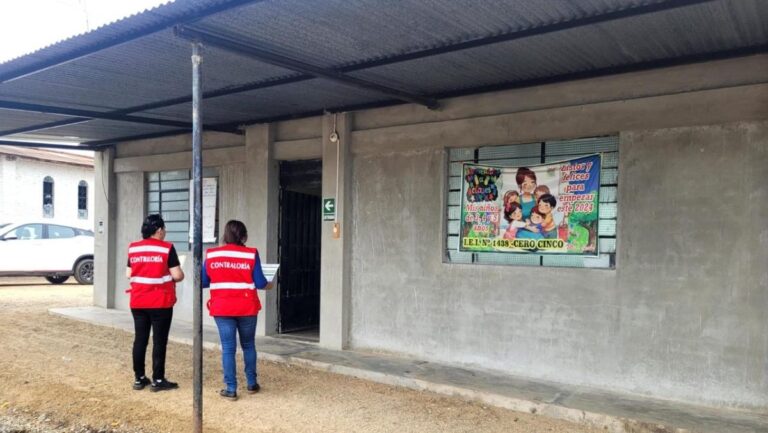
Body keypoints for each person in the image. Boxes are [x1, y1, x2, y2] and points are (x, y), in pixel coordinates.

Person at [202, 220, 273, 401]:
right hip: (247, 307)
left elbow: (203, 281)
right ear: (243, 236)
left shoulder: (212, 254)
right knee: (248, 345)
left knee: (228, 348)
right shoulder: (251, 254)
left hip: (222, 308)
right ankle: (251, 384)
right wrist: (269, 284)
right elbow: (260, 283)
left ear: (226, 235)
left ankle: (231, 388)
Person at [126, 214, 184, 392]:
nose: (165, 232)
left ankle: (139, 378)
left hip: (138, 301)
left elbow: (128, 274)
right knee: (159, 341)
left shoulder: (133, 248)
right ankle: (158, 380)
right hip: (160, 302)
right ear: (159, 230)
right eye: (164, 229)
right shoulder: (167, 248)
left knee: (140, 339)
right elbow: (177, 275)